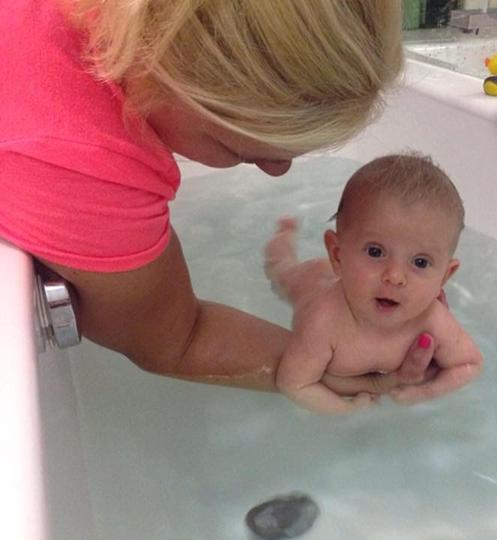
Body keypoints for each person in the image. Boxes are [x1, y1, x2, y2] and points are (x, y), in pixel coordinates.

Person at [1, 0, 444, 398]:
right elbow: (179, 340)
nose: (277, 170)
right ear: (172, 70)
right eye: (243, 149)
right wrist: (348, 364)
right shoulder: (83, 156)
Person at [265, 154, 483, 414]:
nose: (395, 276)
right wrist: (346, 411)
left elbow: (469, 364)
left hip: (343, 280)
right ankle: (284, 236)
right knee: (282, 271)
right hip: (311, 281)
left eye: (421, 262)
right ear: (337, 255)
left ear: (445, 276)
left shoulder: (432, 320)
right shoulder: (324, 321)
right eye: (375, 252)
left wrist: (424, 393)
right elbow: (294, 383)